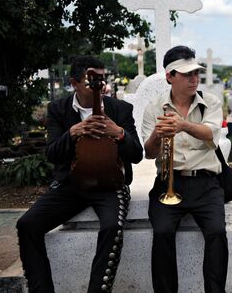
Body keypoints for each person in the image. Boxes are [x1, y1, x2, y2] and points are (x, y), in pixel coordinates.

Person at [16, 56, 143, 293]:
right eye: (92, 80)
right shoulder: (58, 109)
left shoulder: (121, 109)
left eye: (102, 80)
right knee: (27, 224)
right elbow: (52, 154)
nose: (100, 86)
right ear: (74, 83)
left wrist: (119, 132)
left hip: (110, 184)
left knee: (112, 227)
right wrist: (73, 132)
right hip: (71, 185)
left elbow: (137, 154)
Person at [142, 46, 227, 293]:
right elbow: (149, 153)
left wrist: (183, 125)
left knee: (217, 233)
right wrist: (157, 135)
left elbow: (211, 134)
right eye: (187, 74)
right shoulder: (154, 108)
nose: (194, 79)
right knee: (162, 232)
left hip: (206, 183)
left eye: (196, 73)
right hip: (169, 180)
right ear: (170, 76)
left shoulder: (209, 102)